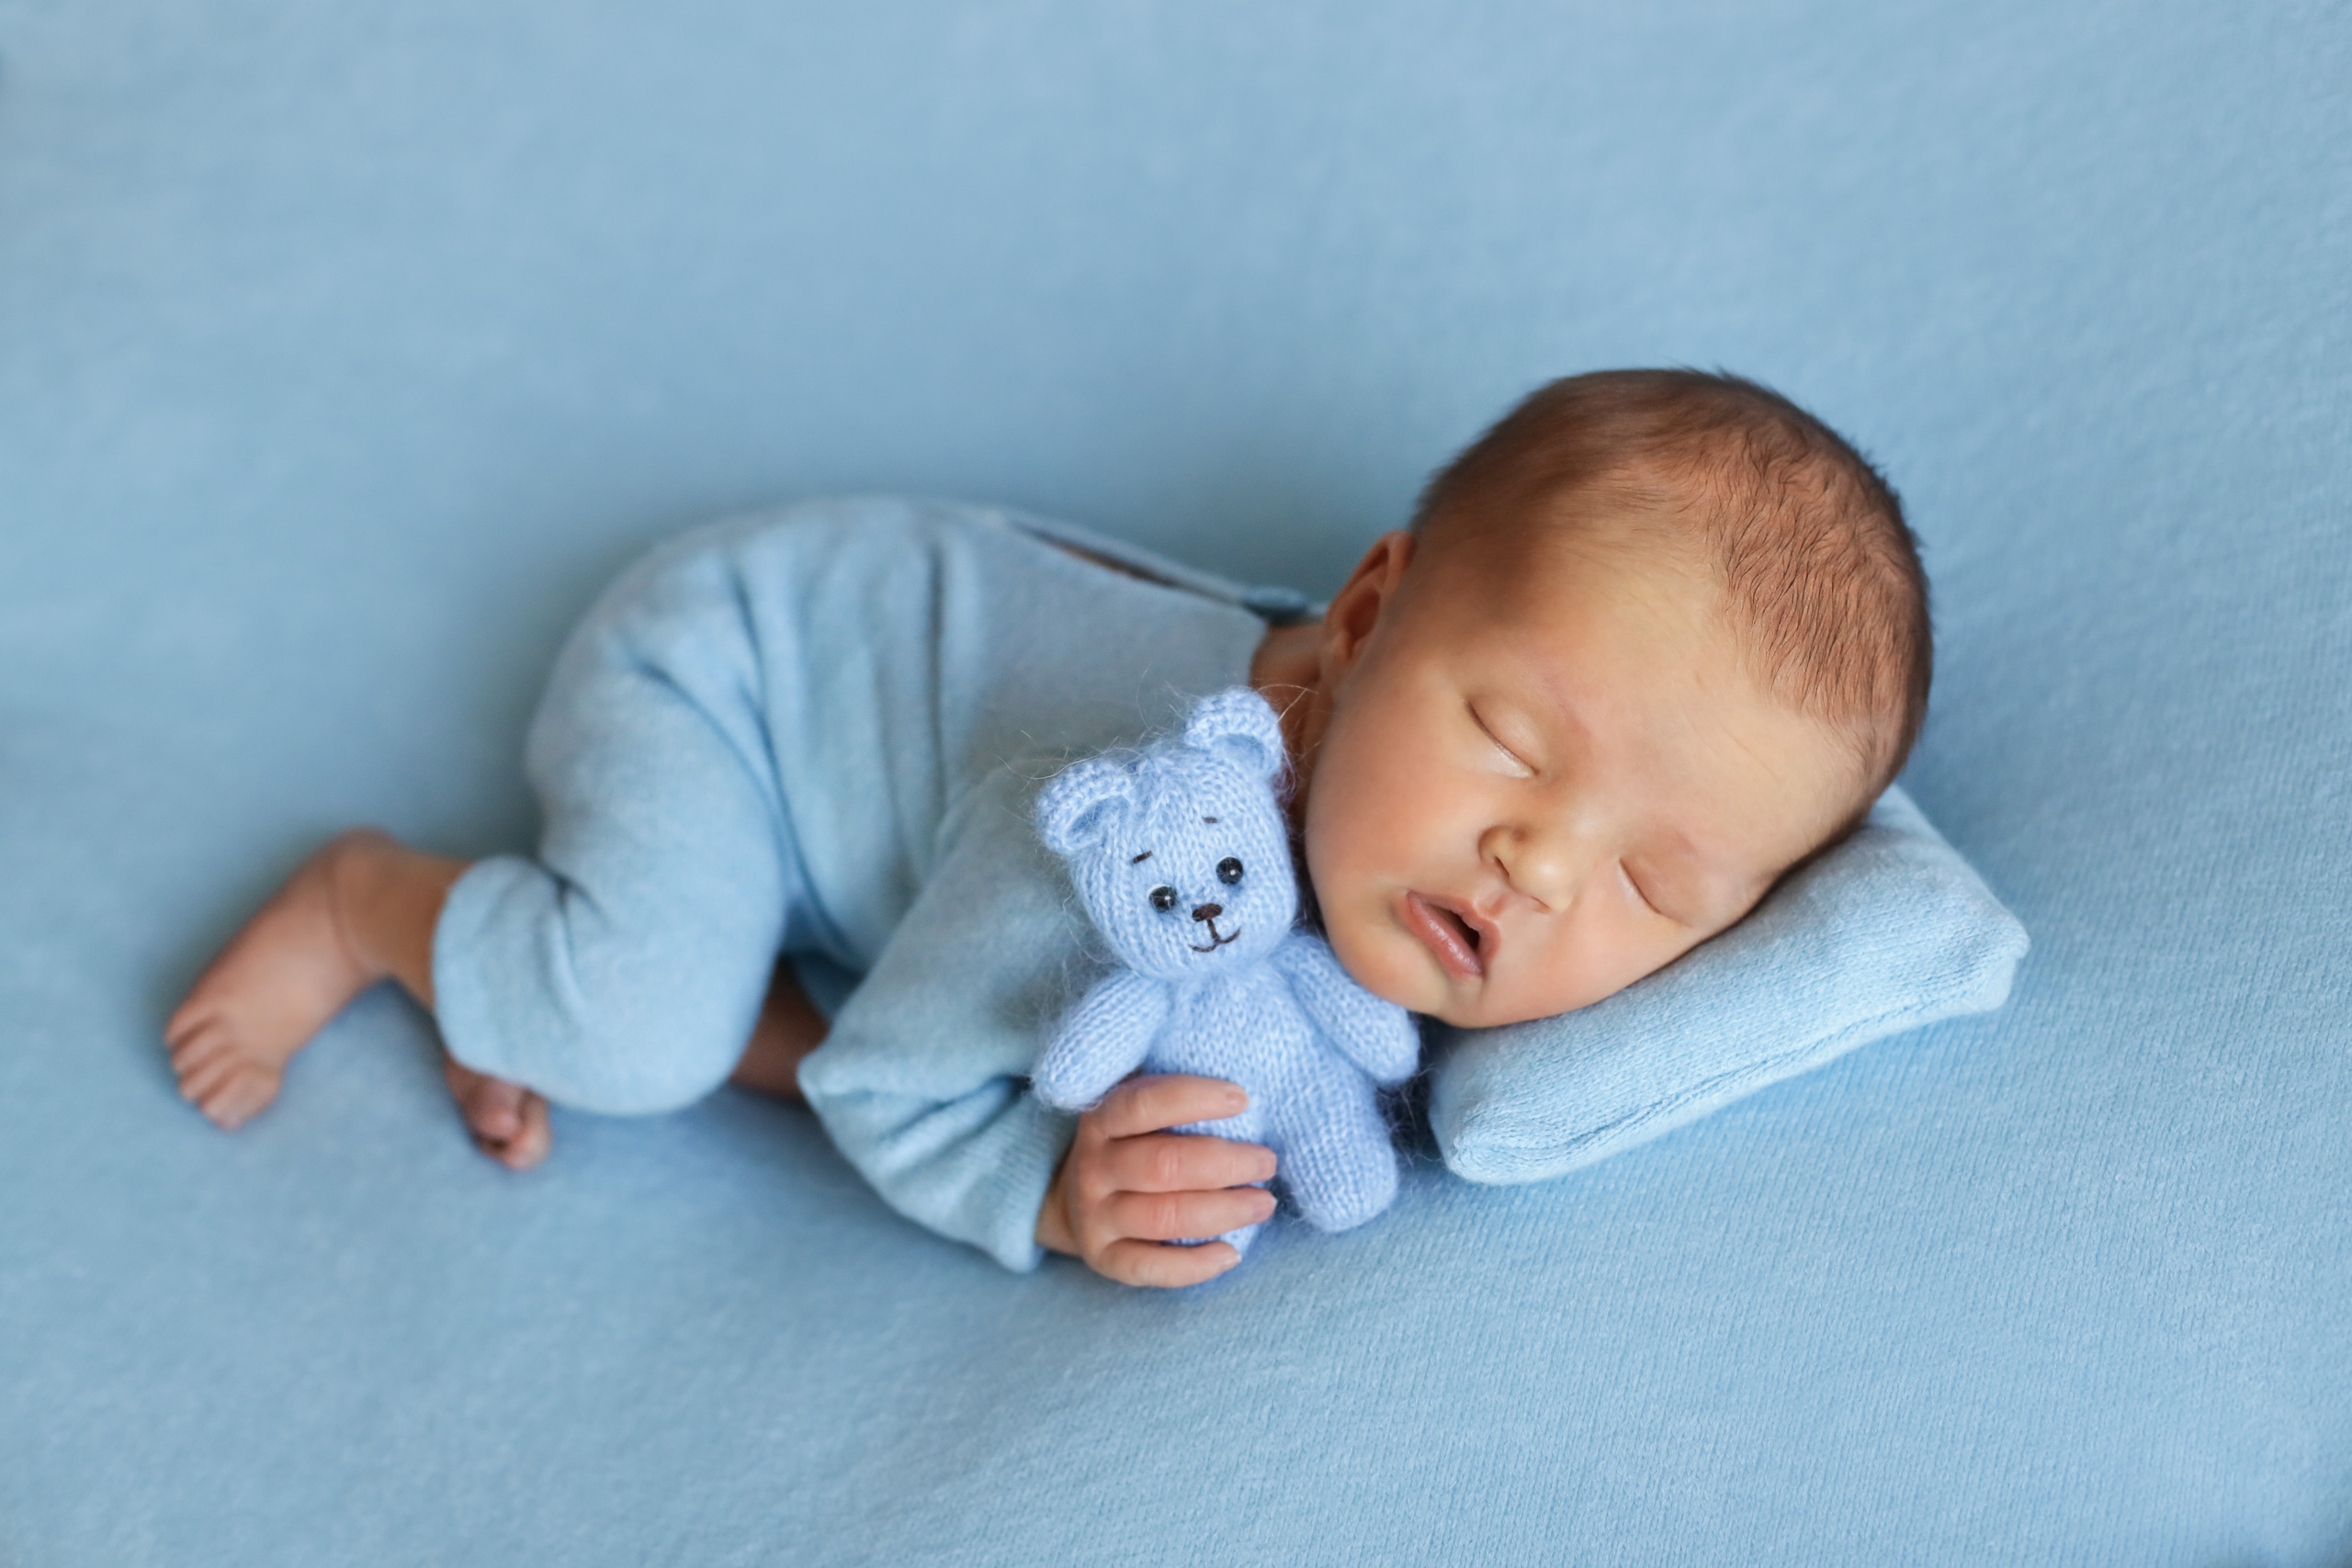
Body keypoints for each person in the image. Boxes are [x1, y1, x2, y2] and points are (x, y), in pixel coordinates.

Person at [164, 368, 1930, 1289]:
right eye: (1508, 745)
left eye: (1649, 882)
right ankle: (383, 911)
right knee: (638, 1024)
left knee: (726, 999)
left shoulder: (1379, 794)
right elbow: (884, 1095)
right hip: (724, 675)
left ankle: (553, 963)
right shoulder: (1108, 843)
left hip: (898, 728)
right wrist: (1048, 1199)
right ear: (1370, 615)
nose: (1537, 867)